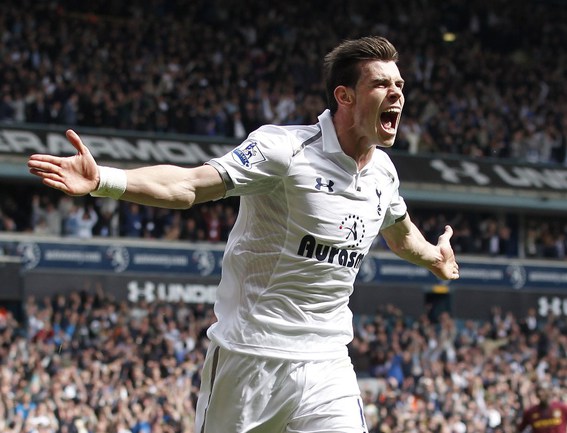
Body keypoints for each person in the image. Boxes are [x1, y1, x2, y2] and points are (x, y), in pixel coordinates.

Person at [27, 36, 459, 433]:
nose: (397, 93)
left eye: (399, 84)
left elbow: (402, 236)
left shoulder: (384, 174)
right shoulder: (284, 150)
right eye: (381, 84)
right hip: (250, 359)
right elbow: (190, 185)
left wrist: (435, 258)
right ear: (344, 96)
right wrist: (104, 179)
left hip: (328, 363)